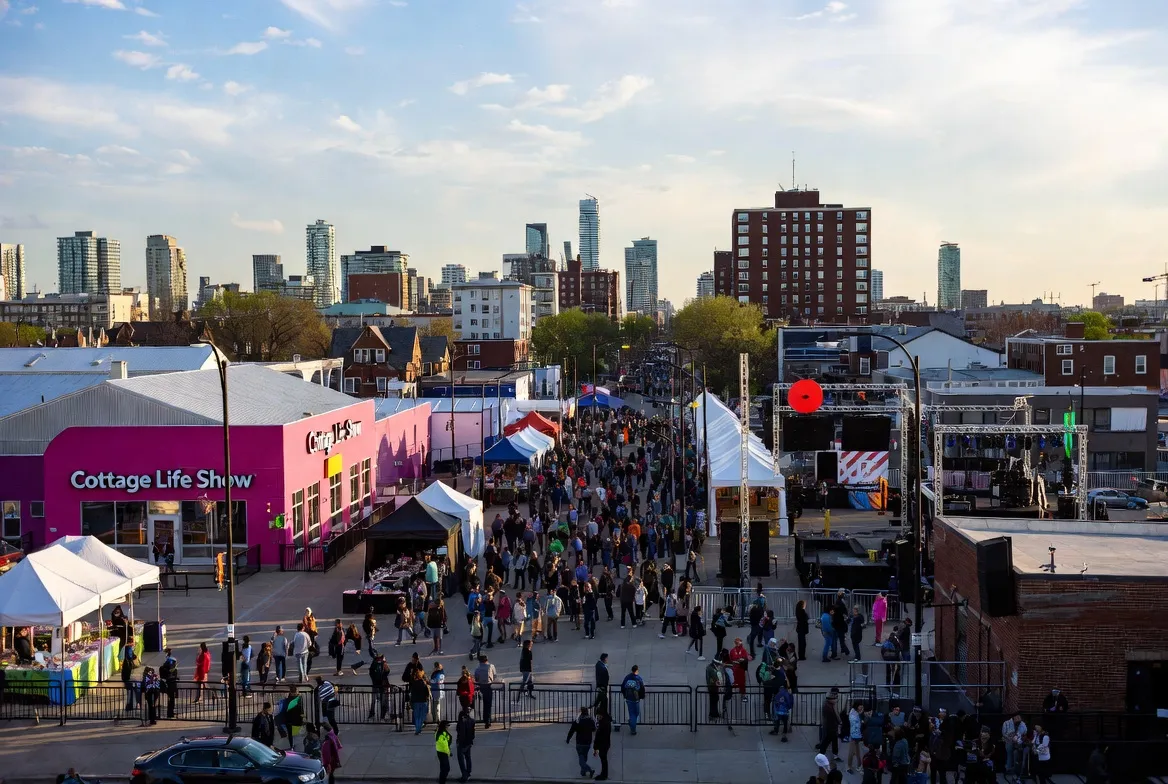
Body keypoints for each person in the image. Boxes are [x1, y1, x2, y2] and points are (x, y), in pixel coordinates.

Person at [566, 707, 597, 779]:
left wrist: (568, 739)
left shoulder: (578, 721)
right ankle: (583, 772)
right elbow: (593, 729)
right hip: (588, 742)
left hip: (580, 742)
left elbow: (572, 730)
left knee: (581, 758)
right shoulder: (590, 720)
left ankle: (590, 770)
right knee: (584, 757)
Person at [474, 654, 499, 729]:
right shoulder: (491, 666)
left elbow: (476, 678)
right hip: (489, 686)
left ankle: (485, 719)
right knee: (488, 704)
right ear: (487, 660)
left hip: (481, 686)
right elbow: (495, 675)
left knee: (485, 703)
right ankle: (488, 720)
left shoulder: (478, 668)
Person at [621, 665, 645, 736]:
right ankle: (633, 729)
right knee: (636, 713)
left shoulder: (627, 677)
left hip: (628, 699)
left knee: (631, 713)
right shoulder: (638, 678)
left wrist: (625, 695)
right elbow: (642, 688)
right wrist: (642, 696)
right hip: (636, 699)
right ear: (637, 670)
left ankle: (631, 723)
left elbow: (623, 686)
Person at [455, 705, 475, 783]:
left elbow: (462, 733)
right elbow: (473, 734)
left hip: (462, 743)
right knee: (468, 757)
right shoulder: (472, 721)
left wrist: (459, 742)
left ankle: (464, 775)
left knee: (461, 759)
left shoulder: (461, 722)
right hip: (469, 742)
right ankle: (468, 773)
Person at [160, 648, 179, 718]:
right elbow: (171, 671)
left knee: (171, 699)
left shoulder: (169, 661)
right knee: (171, 698)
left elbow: (166, 671)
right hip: (171, 682)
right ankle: (170, 713)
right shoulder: (171, 661)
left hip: (170, 682)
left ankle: (170, 712)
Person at [435, 720, 453, 784]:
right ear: (444, 726)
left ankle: (442, 780)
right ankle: (442, 781)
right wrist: (449, 753)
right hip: (442, 753)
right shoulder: (441, 734)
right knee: (446, 768)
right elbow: (445, 746)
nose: (448, 727)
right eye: (447, 726)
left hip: (442, 752)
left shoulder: (443, 732)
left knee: (444, 768)